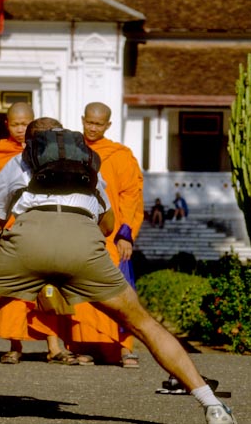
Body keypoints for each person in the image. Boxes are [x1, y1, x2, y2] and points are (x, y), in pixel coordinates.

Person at [0, 117, 237, 424]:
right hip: (82, 245)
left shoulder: (17, 164)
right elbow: (108, 225)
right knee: (144, 324)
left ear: (30, 143)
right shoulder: (90, 163)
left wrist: (1, 226)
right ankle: (212, 406)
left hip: (27, 242)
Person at [0, 103, 77, 365]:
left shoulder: (53, 155)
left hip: (45, 230)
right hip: (11, 231)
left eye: (26, 124)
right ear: (6, 125)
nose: (21, 129)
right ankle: (15, 345)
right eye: (15, 124)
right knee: (14, 291)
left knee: (49, 287)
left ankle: (54, 346)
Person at [64, 102, 144, 368]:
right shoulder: (72, 153)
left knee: (116, 289)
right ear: (82, 120)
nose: (93, 128)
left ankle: (124, 348)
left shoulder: (120, 155)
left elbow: (132, 195)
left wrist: (126, 234)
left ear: (108, 125)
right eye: (89, 122)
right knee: (82, 290)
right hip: (79, 231)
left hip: (112, 234)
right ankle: (87, 347)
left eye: (98, 124)